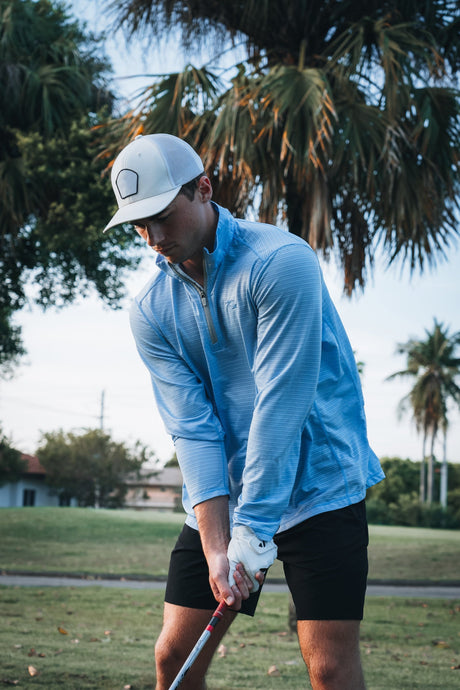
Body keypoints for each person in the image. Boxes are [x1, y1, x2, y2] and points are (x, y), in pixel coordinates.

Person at [104, 133, 385, 690]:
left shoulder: (280, 262)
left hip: (320, 487)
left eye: (162, 215)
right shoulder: (150, 311)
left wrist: (253, 532)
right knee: (174, 659)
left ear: (204, 189)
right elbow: (193, 430)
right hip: (228, 498)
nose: (153, 237)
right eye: (138, 224)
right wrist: (217, 546)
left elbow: (281, 403)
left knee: (329, 669)